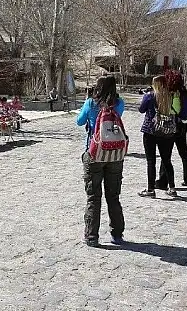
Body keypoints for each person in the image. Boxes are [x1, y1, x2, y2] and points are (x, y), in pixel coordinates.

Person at [76, 75, 126, 247]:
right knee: (113, 196)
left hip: (94, 152)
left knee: (93, 197)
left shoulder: (91, 103)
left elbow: (79, 121)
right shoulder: (119, 103)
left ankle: (91, 236)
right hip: (114, 154)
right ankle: (117, 234)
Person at [138, 75, 181, 198]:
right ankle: (172, 187)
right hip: (167, 132)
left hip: (151, 131)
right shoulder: (171, 95)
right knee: (167, 160)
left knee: (151, 161)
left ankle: (151, 189)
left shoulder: (150, 96)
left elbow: (141, 109)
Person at [156, 71, 187, 188]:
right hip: (182, 125)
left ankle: (163, 181)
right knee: (184, 152)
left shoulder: (169, 94)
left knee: (166, 154)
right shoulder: (184, 93)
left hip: (170, 125)